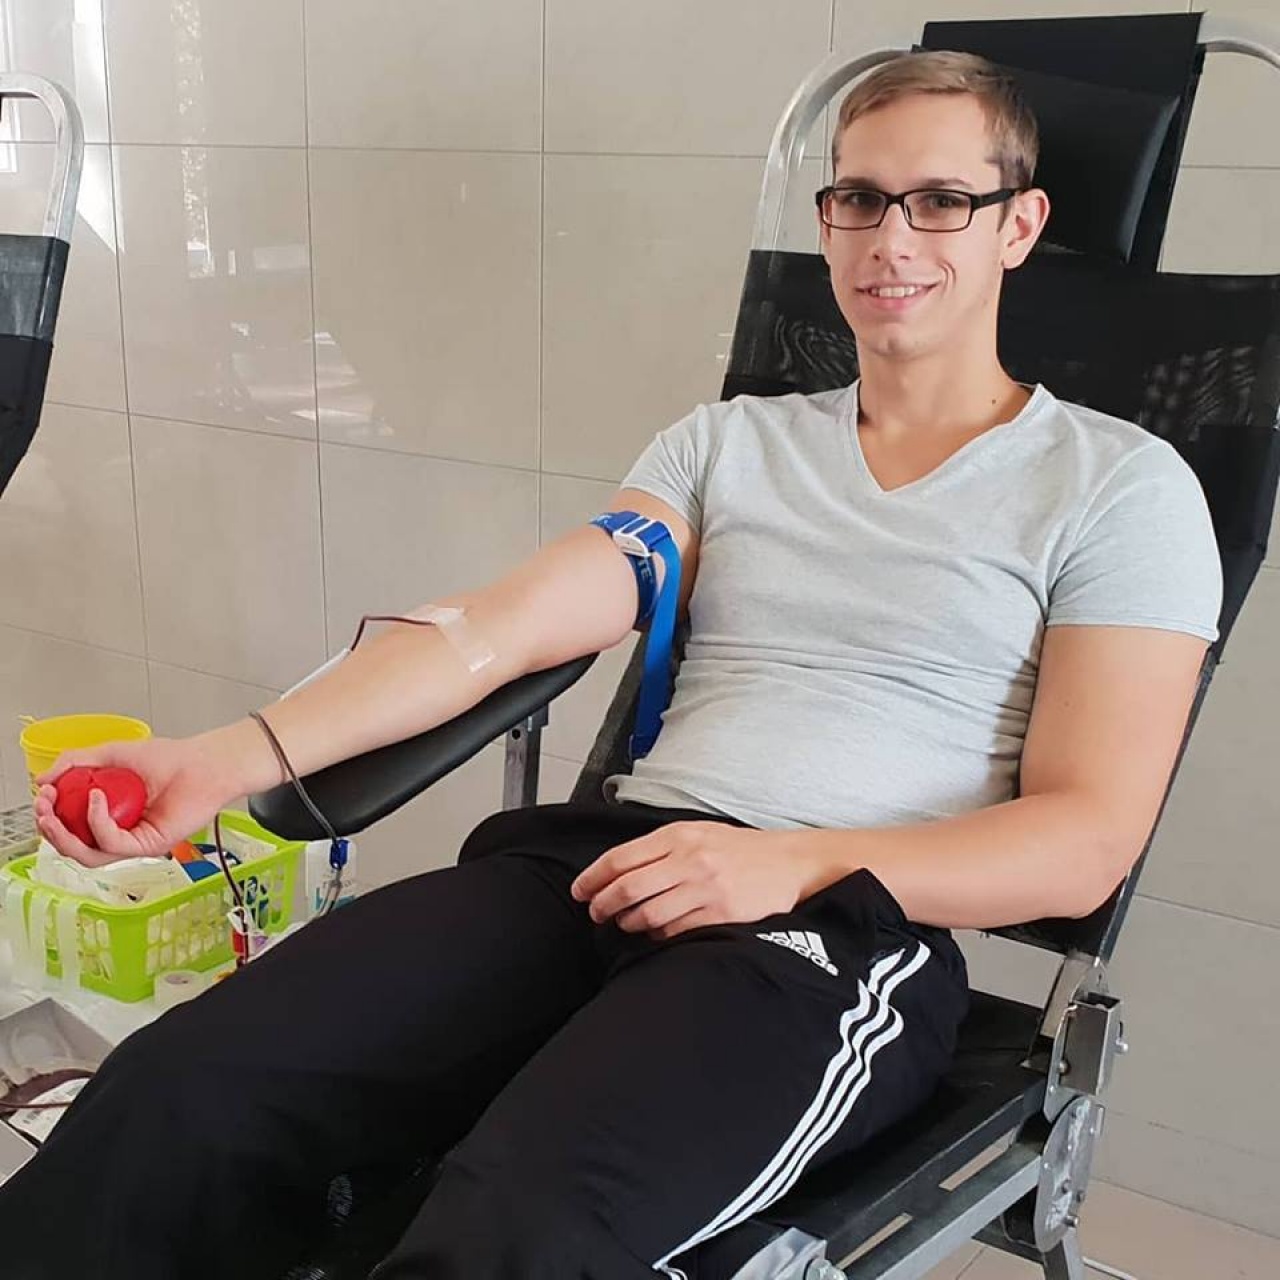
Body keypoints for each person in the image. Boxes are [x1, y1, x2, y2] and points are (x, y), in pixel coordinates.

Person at [0, 50, 1220, 1280]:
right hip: (592, 870)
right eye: (858, 197)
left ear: (1018, 224)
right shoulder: (723, 447)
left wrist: (792, 860)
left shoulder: (1115, 488)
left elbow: (1084, 835)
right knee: (181, 1089)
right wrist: (222, 759)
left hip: (834, 929)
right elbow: (493, 630)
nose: (889, 238)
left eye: (940, 201)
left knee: (518, 1224)